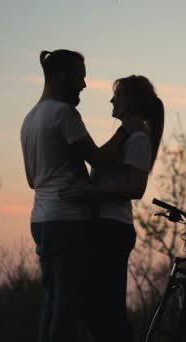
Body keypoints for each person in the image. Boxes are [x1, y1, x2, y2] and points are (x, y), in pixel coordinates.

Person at [20, 49, 139, 342]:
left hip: (41, 221)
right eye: (80, 77)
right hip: (69, 221)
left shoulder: (29, 119)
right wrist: (127, 132)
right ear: (62, 76)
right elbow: (97, 159)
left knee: (52, 299)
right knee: (69, 303)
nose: (84, 85)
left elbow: (32, 179)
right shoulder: (64, 114)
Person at [59, 75, 164, 342]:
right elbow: (99, 158)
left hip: (113, 229)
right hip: (104, 228)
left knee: (108, 311)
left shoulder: (138, 139)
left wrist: (89, 192)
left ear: (130, 101)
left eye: (117, 95)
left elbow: (136, 188)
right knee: (97, 309)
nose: (111, 100)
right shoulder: (127, 136)